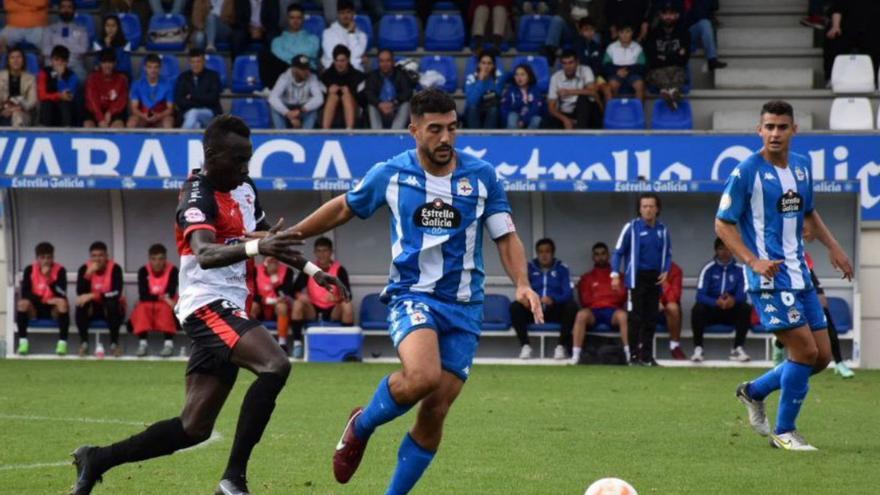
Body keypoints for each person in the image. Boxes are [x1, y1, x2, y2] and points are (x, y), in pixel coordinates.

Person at [70, 115, 350, 495]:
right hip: (206, 305)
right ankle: (234, 480)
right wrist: (256, 246)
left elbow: (268, 239)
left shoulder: (245, 188)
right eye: (237, 160)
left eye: (247, 159)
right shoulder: (195, 195)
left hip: (231, 309)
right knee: (276, 364)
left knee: (193, 427)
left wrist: (314, 270)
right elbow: (203, 251)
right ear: (211, 156)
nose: (244, 168)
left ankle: (97, 459)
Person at [283, 88, 543, 494]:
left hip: (465, 306)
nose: (445, 138)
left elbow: (505, 236)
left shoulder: (482, 177)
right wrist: (291, 235)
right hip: (413, 295)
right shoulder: (392, 173)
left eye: (452, 129)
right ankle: (363, 424)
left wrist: (523, 283)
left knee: (434, 411)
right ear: (414, 131)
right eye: (435, 130)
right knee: (422, 377)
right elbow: (343, 208)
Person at [721, 100, 853, 450]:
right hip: (768, 280)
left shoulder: (802, 166)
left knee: (821, 358)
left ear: (794, 129)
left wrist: (834, 248)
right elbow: (722, 223)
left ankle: (754, 391)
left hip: (800, 275)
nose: (775, 133)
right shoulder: (747, 171)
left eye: (782, 127)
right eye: (769, 127)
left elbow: (809, 213)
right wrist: (753, 261)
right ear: (759, 130)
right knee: (804, 351)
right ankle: (784, 432)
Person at [772, 221, 855, 378]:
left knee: (826, 317)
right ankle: (779, 345)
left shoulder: (801, 250)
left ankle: (839, 362)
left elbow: (809, 271)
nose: (807, 232)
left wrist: (819, 290)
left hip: (804, 282)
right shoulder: (776, 243)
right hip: (785, 286)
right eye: (803, 228)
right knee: (794, 325)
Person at [611, 193, 671, 366]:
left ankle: (647, 356)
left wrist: (665, 271)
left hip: (655, 278)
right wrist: (615, 274)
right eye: (644, 206)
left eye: (651, 206)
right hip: (636, 278)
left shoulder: (662, 230)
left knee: (651, 318)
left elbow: (667, 254)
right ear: (639, 209)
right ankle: (633, 356)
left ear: (657, 209)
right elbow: (618, 252)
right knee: (635, 318)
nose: (648, 210)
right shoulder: (631, 227)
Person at [511, 238, 578, 360]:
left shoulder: (562, 268)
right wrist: (526, 299)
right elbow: (522, 287)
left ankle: (560, 347)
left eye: (547, 251)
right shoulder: (529, 267)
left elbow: (568, 293)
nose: (544, 255)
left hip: (553, 310)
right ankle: (525, 346)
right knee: (515, 306)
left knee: (571, 306)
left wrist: (554, 299)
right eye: (541, 252)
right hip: (533, 309)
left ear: (553, 253)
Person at [289, 236, 354, 359]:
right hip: (313, 309)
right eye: (318, 251)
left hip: (333, 309)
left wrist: (337, 298)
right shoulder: (309, 268)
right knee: (297, 303)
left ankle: (346, 347)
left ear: (331, 252)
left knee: (348, 306)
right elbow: (293, 291)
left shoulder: (339, 270)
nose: (321, 254)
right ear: (314, 253)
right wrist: (301, 296)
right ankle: (297, 344)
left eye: (325, 251)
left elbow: (348, 295)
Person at [691, 238, 752, 363]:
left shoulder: (741, 270)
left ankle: (737, 348)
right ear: (716, 250)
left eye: (728, 248)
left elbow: (743, 294)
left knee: (745, 308)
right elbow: (700, 295)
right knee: (698, 308)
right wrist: (715, 302)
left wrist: (732, 300)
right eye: (721, 248)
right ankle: (698, 348)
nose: (725, 252)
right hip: (712, 311)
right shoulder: (708, 269)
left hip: (730, 311)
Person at [570, 241, 628, 364]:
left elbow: (622, 297)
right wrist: (604, 299)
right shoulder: (587, 277)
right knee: (581, 315)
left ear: (608, 255)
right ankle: (576, 356)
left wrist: (607, 299)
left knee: (623, 316)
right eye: (597, 254)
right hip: (594, 312)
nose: (600, 257)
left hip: (612, 312)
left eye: (603, 254)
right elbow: (585, 300)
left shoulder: (618, 277)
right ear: (593, 257)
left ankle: (629, 355)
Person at [16, 242, 70, 356]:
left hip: (52, 308)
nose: (46, 261)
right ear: (37, 258)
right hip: (35, 308)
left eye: (49, 257)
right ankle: (23, 342)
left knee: (62, 303)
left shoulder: (60, 270)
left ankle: (62, 343)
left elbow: (62, 292)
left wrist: (49, 278)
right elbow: (25, 292)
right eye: (42, 258)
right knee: (22, 303)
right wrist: (41, 299)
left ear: (53, 258)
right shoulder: (30, 269)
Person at [75, 241, 125, 358]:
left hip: (110, 306)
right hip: (93, 308)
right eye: (94, 256)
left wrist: (94, 295)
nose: (97, 259)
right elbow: (80, 293)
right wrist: (88, 275)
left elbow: (116, 292)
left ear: (106, 256)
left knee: (113, 304)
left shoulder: (115, 268)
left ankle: (114, 344)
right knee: (81, 304)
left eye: (100, 255)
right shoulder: (84, 268)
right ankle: (84, 343)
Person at [129, 244, 180, 358]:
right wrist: (162, 297)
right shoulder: (143, 271)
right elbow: (143, 295)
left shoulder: (173, 270)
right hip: (152, 304)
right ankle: (142, 344)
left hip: (166, 305)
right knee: (142, 306)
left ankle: (168, 344)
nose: (157, 262)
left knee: (165, 307)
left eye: (161, 259)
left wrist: (158, 297)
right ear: (149, 259)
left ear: (165, 259)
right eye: (154, 259)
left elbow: (171, 292)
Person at [259, 4, 320, 89]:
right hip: (284, 69)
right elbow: (278, 57)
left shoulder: (313, 39)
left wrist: (290, 54)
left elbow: (310, 53)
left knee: (304, 63)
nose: (295, 21)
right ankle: (270, 90)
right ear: (287, 19)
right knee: (264, 54)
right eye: (292, 18)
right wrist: (298, 57)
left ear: (303, 19)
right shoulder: (277, 41)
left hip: (306, 70)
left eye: (298, 18)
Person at [645, 1, 691, 110]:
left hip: (676, 69)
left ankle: (667, 92)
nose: (668, 17)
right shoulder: (653, 33)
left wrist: (663, 57)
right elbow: (652, 59)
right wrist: (675, 56)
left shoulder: (684, 33)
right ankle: (672, 93)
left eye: (671, 14)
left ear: (677, 15)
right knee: (657, 74)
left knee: (680, 73)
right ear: (660, 15)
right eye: (665, 14)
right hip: (658, 71)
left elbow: (684, 60)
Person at [822, 1, 880, 85]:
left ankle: (875, 79)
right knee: (834, 39)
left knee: (874, 43)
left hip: (871, 28)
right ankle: (831, 78)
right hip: (847, 26)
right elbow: (837, 9)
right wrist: (836, 26)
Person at [250, 256, 297, 353]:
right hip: (262, 306)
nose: (272, 261)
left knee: (282, 306)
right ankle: (253, 343)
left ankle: (282, 344)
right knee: (252, 307)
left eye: (274, 257)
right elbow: (252, 294)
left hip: (278, 308)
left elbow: (283, 294)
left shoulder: (288, 271)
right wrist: (269, 301)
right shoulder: (255, 270)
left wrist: (273, 276)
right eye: (268, 257)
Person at [546, 49, 601, 129]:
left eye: (571, 62)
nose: (567, 66)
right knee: (548, 121)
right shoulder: (555, 77)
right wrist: (566, 120)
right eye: (564, 63)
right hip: (565, 112)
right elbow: (551, 107)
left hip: (586, 111)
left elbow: (593, 92)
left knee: (584, 98)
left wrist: (570, 92)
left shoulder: (585, 70)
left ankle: (580, 133)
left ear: (577, 62)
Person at [269, 54, 324, 130]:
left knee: (313, 110)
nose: (306, 72)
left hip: (303, 108)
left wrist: (300, 111)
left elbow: (319, 98)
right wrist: (288, 113)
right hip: (287, 107)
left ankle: (306, 135)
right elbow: (272, 98)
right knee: (274, 108)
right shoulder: (284, 77)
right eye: (302, 69)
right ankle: (281, 135)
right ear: (294, 69)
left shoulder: (312, 77)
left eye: (307, 68)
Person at [365, 49, 413, 130]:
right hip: (379, 109)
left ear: (393, 62)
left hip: (395, 108)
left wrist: (394, 103)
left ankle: (395, 133)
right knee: (371, 106)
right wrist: (379, 104)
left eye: (388, 61)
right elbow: (368, 93)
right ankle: (377, 134)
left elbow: (407, 92)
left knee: (406, 104)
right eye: (382, 61)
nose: (385, 64)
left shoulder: (401, 74)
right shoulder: (373, 76)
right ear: (378, 63)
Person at [41, 0, 90, 80]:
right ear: (59, 10)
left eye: (69, 7)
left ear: (74, 10)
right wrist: (71, 46)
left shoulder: (81, 30)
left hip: (74, 66)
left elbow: (83, 50)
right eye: (63, 7)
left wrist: (58, 46)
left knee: (81, 78)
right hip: (53, 67)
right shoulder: (49, 29)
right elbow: (45, 50)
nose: (66, 10)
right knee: (51, 80)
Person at [175, 48, 223, 129]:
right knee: (196, 125)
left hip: (210, 113)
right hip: (187, 113)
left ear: (204, 62)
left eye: (198, 61)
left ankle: (180, 138)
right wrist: (201, 100)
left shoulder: (213, 76)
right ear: (189, 63)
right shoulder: (183, 77)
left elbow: (213, 98)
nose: (195, 65)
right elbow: (180, 101)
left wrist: (192, 97)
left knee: (193, 112)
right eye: (193, 62)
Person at [320, 44, 365, 129]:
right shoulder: (325, 76)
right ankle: (325, 131)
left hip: (354, 109)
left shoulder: (358, 76)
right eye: (337, 61)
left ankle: (349, 130)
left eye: (342, 61)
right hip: (330, 109)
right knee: (333, 96)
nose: (339, 64)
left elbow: (363, 101)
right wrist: (328, 92)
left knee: (346, 97)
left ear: (348, 60)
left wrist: (351, 93)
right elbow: (320, 100)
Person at [84, 48, 129, 128]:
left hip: (114, 112)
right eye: (104, 62)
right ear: (100, 63)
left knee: (118, 127)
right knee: (88, 126)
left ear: (115, 63)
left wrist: (110, 112)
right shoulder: (92, 79)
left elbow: (122, 101)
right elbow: (92, 101)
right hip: (95, 111)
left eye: (110, 62)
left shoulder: (121, 79)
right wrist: (100, 118)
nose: (107, 65)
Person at [127, 54, 175, 129]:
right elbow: (134, 108)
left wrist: (158, 116)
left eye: (156, 67)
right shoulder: (137, 84)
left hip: (161, 116)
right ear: (145, 68)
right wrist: (144, 116)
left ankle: (168, 140)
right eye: (150, 67)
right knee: (132, 123)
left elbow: (170, 109)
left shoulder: (168, 84)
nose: (153, 70)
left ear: (160, 68)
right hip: (143, 116)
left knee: (168, 122)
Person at [602, 24, 647, 102]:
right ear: (618, 33)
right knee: (612, 84)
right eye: (622, 32)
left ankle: (638, 113)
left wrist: (627, 70)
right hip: (616, 74)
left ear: (632, 33)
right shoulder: (611, 47)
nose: (625, 35)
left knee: (640, 84)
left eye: (627, 32)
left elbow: (642, 66)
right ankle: (615, 111)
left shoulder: (638, 47)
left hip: (633, 73)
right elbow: (606, 65)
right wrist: (617, 71)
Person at [37, 45, 79, 128]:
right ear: (51, 60)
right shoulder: (44, 72)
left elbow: (69, 96)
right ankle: (43, 130)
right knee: (46, 103)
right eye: (56, 60)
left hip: (65, 113)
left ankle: (67, 129)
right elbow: (42, 96)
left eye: (62, 61)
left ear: (67, 62)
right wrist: (58, 96)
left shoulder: (72, 76)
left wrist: (59, 77)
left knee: (64, 103)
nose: (59, 63)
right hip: (48, 111)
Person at [321, 1, 368, 71]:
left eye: (348, 12)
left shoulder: (362, 36)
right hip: (333, 72)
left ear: (353, 14)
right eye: (342, 13)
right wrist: (358, 60)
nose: (345, 16)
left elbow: (356, 54)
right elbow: (333, 56)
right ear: (337, 14)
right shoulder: (328, 33)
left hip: (354, 72)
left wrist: (351, 33)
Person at [682, 0, 727, 70]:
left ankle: (712, 60)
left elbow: (715, 6)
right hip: (679, 31)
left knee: (705, 23)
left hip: (695, 28)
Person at [464, 52, 504, 129]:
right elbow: (472, 101)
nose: (486, 66)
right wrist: (480, 81)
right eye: (483, 63)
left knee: (494, 109)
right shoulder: (471, 78)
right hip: (474, 111)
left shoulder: (497, 79)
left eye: (489, 63)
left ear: (493, 66)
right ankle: (474, 136)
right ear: (479, 64)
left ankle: (488, 137)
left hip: (490, 111)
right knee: (472, 108)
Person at [0, 47, 37, 128]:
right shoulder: (1, 76)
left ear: (23, 60)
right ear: (8, 61)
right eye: (12, 57)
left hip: (22, 112)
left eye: (18, 57)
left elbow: (32, 101)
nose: (15, 60)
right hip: (3, 111)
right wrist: (4, 109)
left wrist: (17, 108)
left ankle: (15, 139)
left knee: (17, 116)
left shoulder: (30, 78)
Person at [501, 63, 545, 129]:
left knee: (536, 119)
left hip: (530, 116)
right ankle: (513, 138)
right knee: (512, 116)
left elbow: (535, 108)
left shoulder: (535, 90)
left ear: (529, 76)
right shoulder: (511, 90)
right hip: (516, 116)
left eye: (522, 74)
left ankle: (528, 138)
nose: (519, 77)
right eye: (516, 75)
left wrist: (524, 120)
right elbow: (505, 108)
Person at [92, 14, 133, 79]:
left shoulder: (125, 43)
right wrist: (106, 46)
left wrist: (109, 47)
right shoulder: (98, 43)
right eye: (107, 26)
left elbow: (126, 66)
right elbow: (96, 64)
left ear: (118, 27)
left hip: (120, 74)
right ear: (104, 27)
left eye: (113, 26)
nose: (110, 29)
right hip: (103, 74)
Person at [660, 260, 685, 359]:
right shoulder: (645, 267)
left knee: (673, 307)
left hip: (666, 311)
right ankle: (640, 347)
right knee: (640, 306)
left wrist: (664, 282)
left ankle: (674, 345)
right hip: (650, 307)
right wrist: (654, 302)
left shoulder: (675, 270)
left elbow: (674, 297)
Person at [572, 17, 604, 84]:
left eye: (592, 29)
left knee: (606, 87)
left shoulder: (597, 46)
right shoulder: (576, 45)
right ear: (580, 31)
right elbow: (581, 62)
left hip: (595, 76)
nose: (589, 32)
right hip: (580, 77)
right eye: (586, 29)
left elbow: (600, 65)